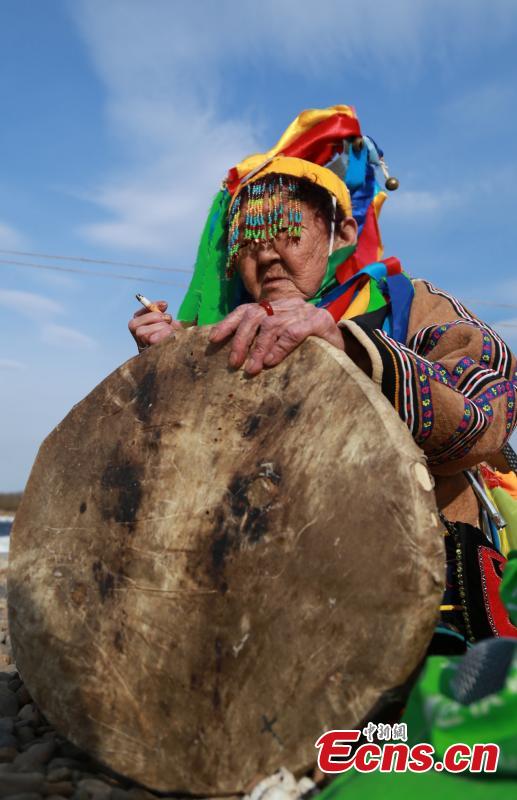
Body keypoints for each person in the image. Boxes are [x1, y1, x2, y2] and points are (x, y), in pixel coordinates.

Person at [129, 105, 517, 653]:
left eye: (285, 231)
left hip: (420, 588)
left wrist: (351, 348)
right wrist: (169, 373)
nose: (266, 254)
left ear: (342, 233)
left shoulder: (406, 305)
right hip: (261, 609)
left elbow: (488, 408)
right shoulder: (226, 339)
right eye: (248, 240)